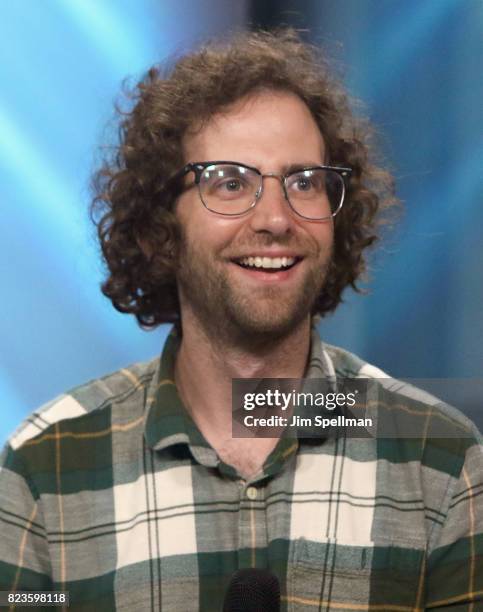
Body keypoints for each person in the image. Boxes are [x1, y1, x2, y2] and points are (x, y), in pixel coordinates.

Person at [0, 29, 481, 611]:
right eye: (230, 182)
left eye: (304, 182)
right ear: (160, 225)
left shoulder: (440, 461)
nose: (276, 218)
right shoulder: (47, 465)